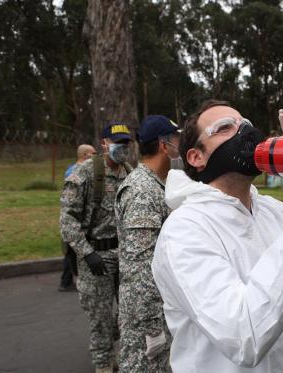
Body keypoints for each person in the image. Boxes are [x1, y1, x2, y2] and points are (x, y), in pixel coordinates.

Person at [151, 100, 283, 373]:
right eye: (225, 128)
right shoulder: (183, 230)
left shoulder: (270, 210)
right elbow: (243, 336)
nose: (245, 132)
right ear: (196, 157)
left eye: (247, 125)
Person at [60, 122, 133, 373]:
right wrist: (87, 253)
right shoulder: (86, 173)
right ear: (104, 144)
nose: (123, 148)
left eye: (126, 143)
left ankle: (123, 357)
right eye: (118, 143)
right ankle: (103, 365)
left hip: (124, 255)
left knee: (128, 313)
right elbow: (67, 219)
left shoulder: (129, 172)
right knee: (100, 319)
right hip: (95, 256)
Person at [115, 115, 182, 372]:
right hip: (148, 314)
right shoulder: (142, 191)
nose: (180, 143)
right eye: (176, 138)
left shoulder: (158, 185)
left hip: (159, 306)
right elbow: (140, 265)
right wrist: (151, 323)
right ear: (164, 145)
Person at [59, 144, 96, 292]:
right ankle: (66, 281)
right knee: (73, 251)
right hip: (75, 220)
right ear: (86, 154)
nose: (96, 155)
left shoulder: (76, 168)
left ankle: (66, 280)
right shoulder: (77, 171)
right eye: (93, 153)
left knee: (72, 251)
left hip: (78, 219)